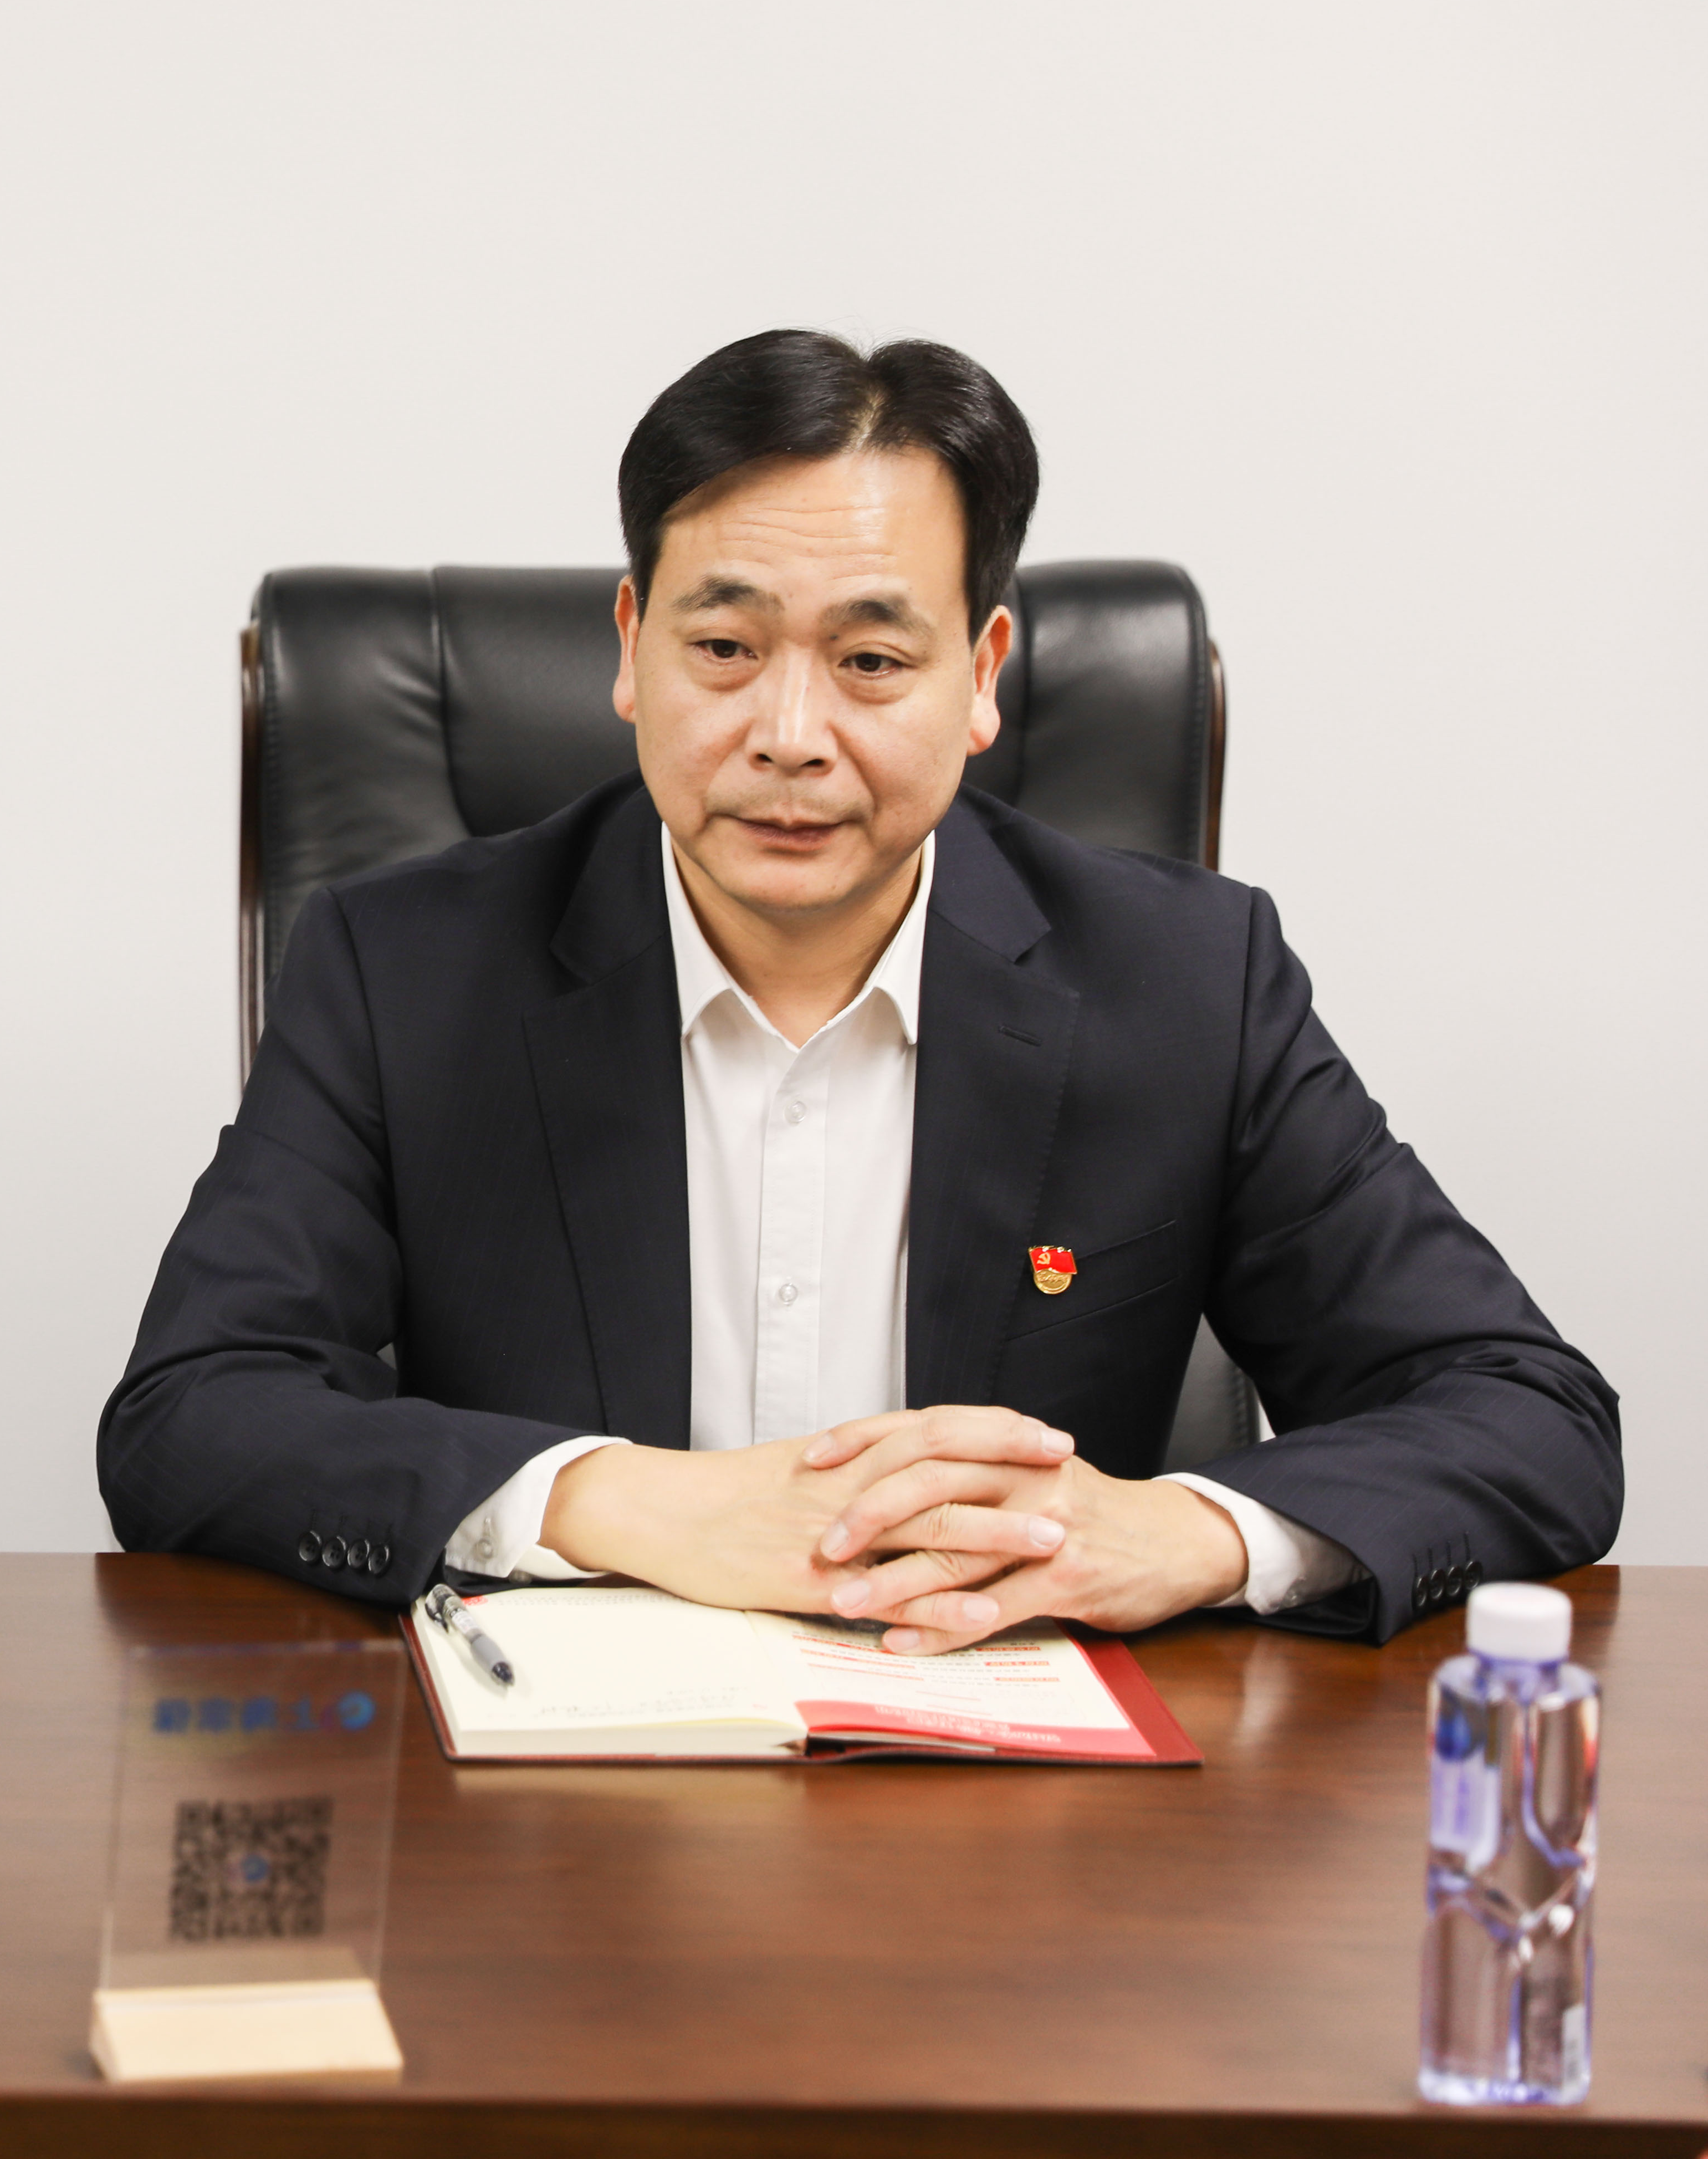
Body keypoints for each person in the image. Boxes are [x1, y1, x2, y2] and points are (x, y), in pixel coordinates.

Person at [98, 329, 1617, 1650]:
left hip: (1026, 1810)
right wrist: (626, 1501)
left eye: (872, 661)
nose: (789, 731)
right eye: (723, 645)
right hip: (562, 1803)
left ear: (982, 673)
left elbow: (1526, 1410)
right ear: (630, 649)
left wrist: (1186, 1532)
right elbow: (191, 1412)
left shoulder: (1186, 986)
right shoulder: (403, 972)